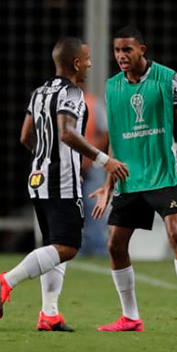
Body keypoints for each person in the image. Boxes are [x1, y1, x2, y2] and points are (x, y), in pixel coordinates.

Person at [0, 37, 129, 331]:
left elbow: (26, 136)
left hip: (38, 177)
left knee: (55, 245)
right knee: (68, 246)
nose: (90, 63)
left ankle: (49, 313)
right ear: (76, 63)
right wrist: (104, 161)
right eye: (87, 59)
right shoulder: (73, 93)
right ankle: (5, 281)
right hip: (60, 179)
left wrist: (45, 157)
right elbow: (66, 132)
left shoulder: (39, 92)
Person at [90, 26, 177, 333]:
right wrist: (107, 184)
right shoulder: (112, 87)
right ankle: (130, 316)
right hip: (129, 178)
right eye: (117, 51)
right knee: (114, 244)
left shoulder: (170, 80)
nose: (121, 56)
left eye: (127, 50)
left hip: (163, 174)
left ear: (143, 49)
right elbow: (115, 139)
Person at [79, 75, 110, 257]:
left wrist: (90, 157)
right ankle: (75, 249)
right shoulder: (62, 104)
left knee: (94, 205)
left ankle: (98, 249)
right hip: (69, 166)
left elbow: (104, 133)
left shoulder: (93, 104)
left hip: (92, 165)